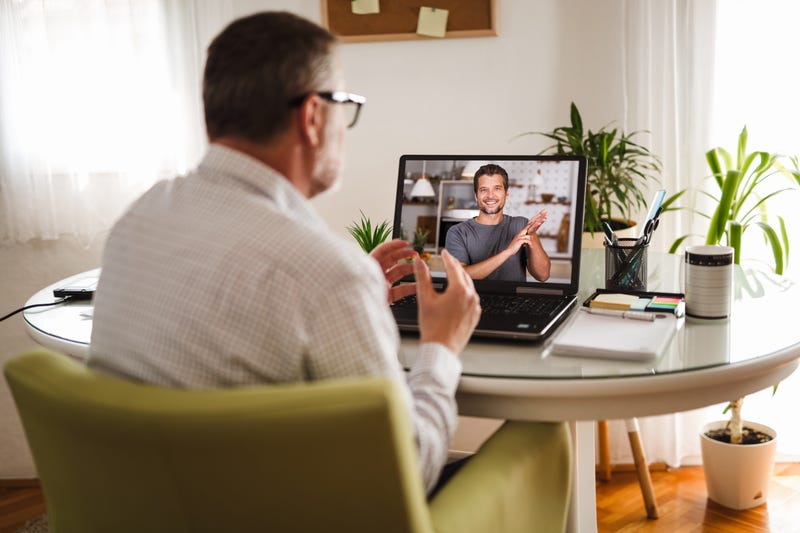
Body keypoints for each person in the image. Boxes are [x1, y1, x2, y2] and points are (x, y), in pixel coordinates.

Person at [87, 11, 481, 495]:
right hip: (277, 513)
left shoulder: (140, 217)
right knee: (542, 440)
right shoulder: (325, 272)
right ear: (313, 116)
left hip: (144, 505)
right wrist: (441, 346)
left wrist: (352, 306)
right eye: (345, 105)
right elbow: (407, 474)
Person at [445, 164, 551, 282]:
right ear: (476, 196)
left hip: (514, 300)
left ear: (506, 193)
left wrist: (531, 237)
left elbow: (543, 275)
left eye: (497, 188)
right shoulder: (458, 232)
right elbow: (458, 277)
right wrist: (508, 252)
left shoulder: (521, 225)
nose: (490, 195)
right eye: (483, 190)